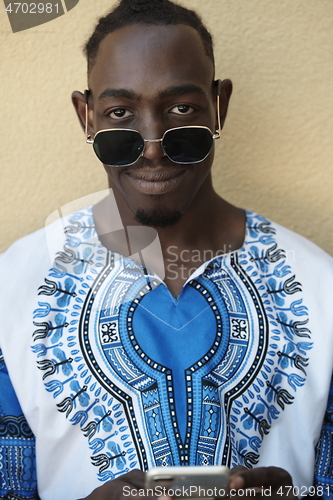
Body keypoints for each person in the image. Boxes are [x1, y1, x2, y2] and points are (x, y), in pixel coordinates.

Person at [1, 0, 333, 499]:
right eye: (120, 113)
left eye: (181, 108)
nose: (153, 143)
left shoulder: (322, 288)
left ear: (218, 106)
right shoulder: (11, 287)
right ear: (86, 116)